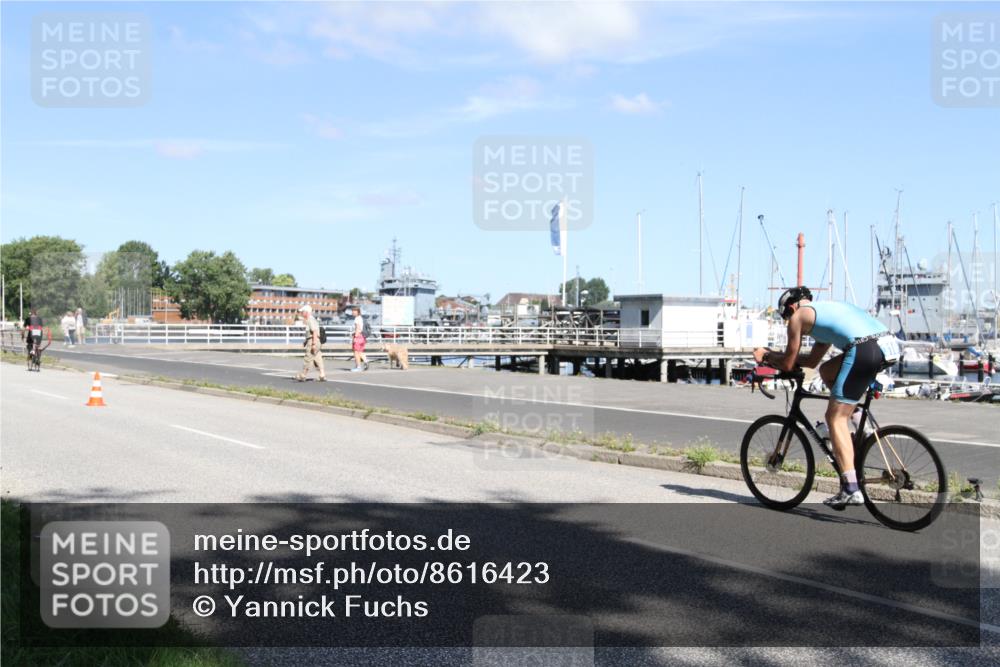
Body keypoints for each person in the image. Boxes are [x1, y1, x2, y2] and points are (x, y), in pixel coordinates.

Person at [753, 287, 900, 510]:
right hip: (887, 345)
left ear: (791, 307)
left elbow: (788, 364)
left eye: (785, 316)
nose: (787, 321)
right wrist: (779, 358)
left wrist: (766, 356)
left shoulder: (799, 317)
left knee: (835, 418)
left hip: (863, 349)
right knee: (827, 371)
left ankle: (851, 488)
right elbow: (812, 361)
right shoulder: (823, 315)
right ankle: (862, 427)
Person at [295, 304, 325, 382]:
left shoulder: (310, 320)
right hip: (316, 340)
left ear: (307, 312)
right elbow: (311, 333)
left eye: (302, 312)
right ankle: (322, 374)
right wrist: (305, 341)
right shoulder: (311, 319)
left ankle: (303, 375)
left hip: (313, 340)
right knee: (317, 358)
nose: (301, 313)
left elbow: (314, 331)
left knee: (308, 358)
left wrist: (313, 344)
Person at [351, 306, 369, 372]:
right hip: (362, 337)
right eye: (352, 311)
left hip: (358, 336)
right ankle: (365, 361)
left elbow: (358, 328)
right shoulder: (361, 318)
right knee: (360, 351)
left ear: (357, 312)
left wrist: (355, 337)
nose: (352, 312)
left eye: (354, 311)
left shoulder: (356, 319)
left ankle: (358, 367)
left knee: (356, 352)